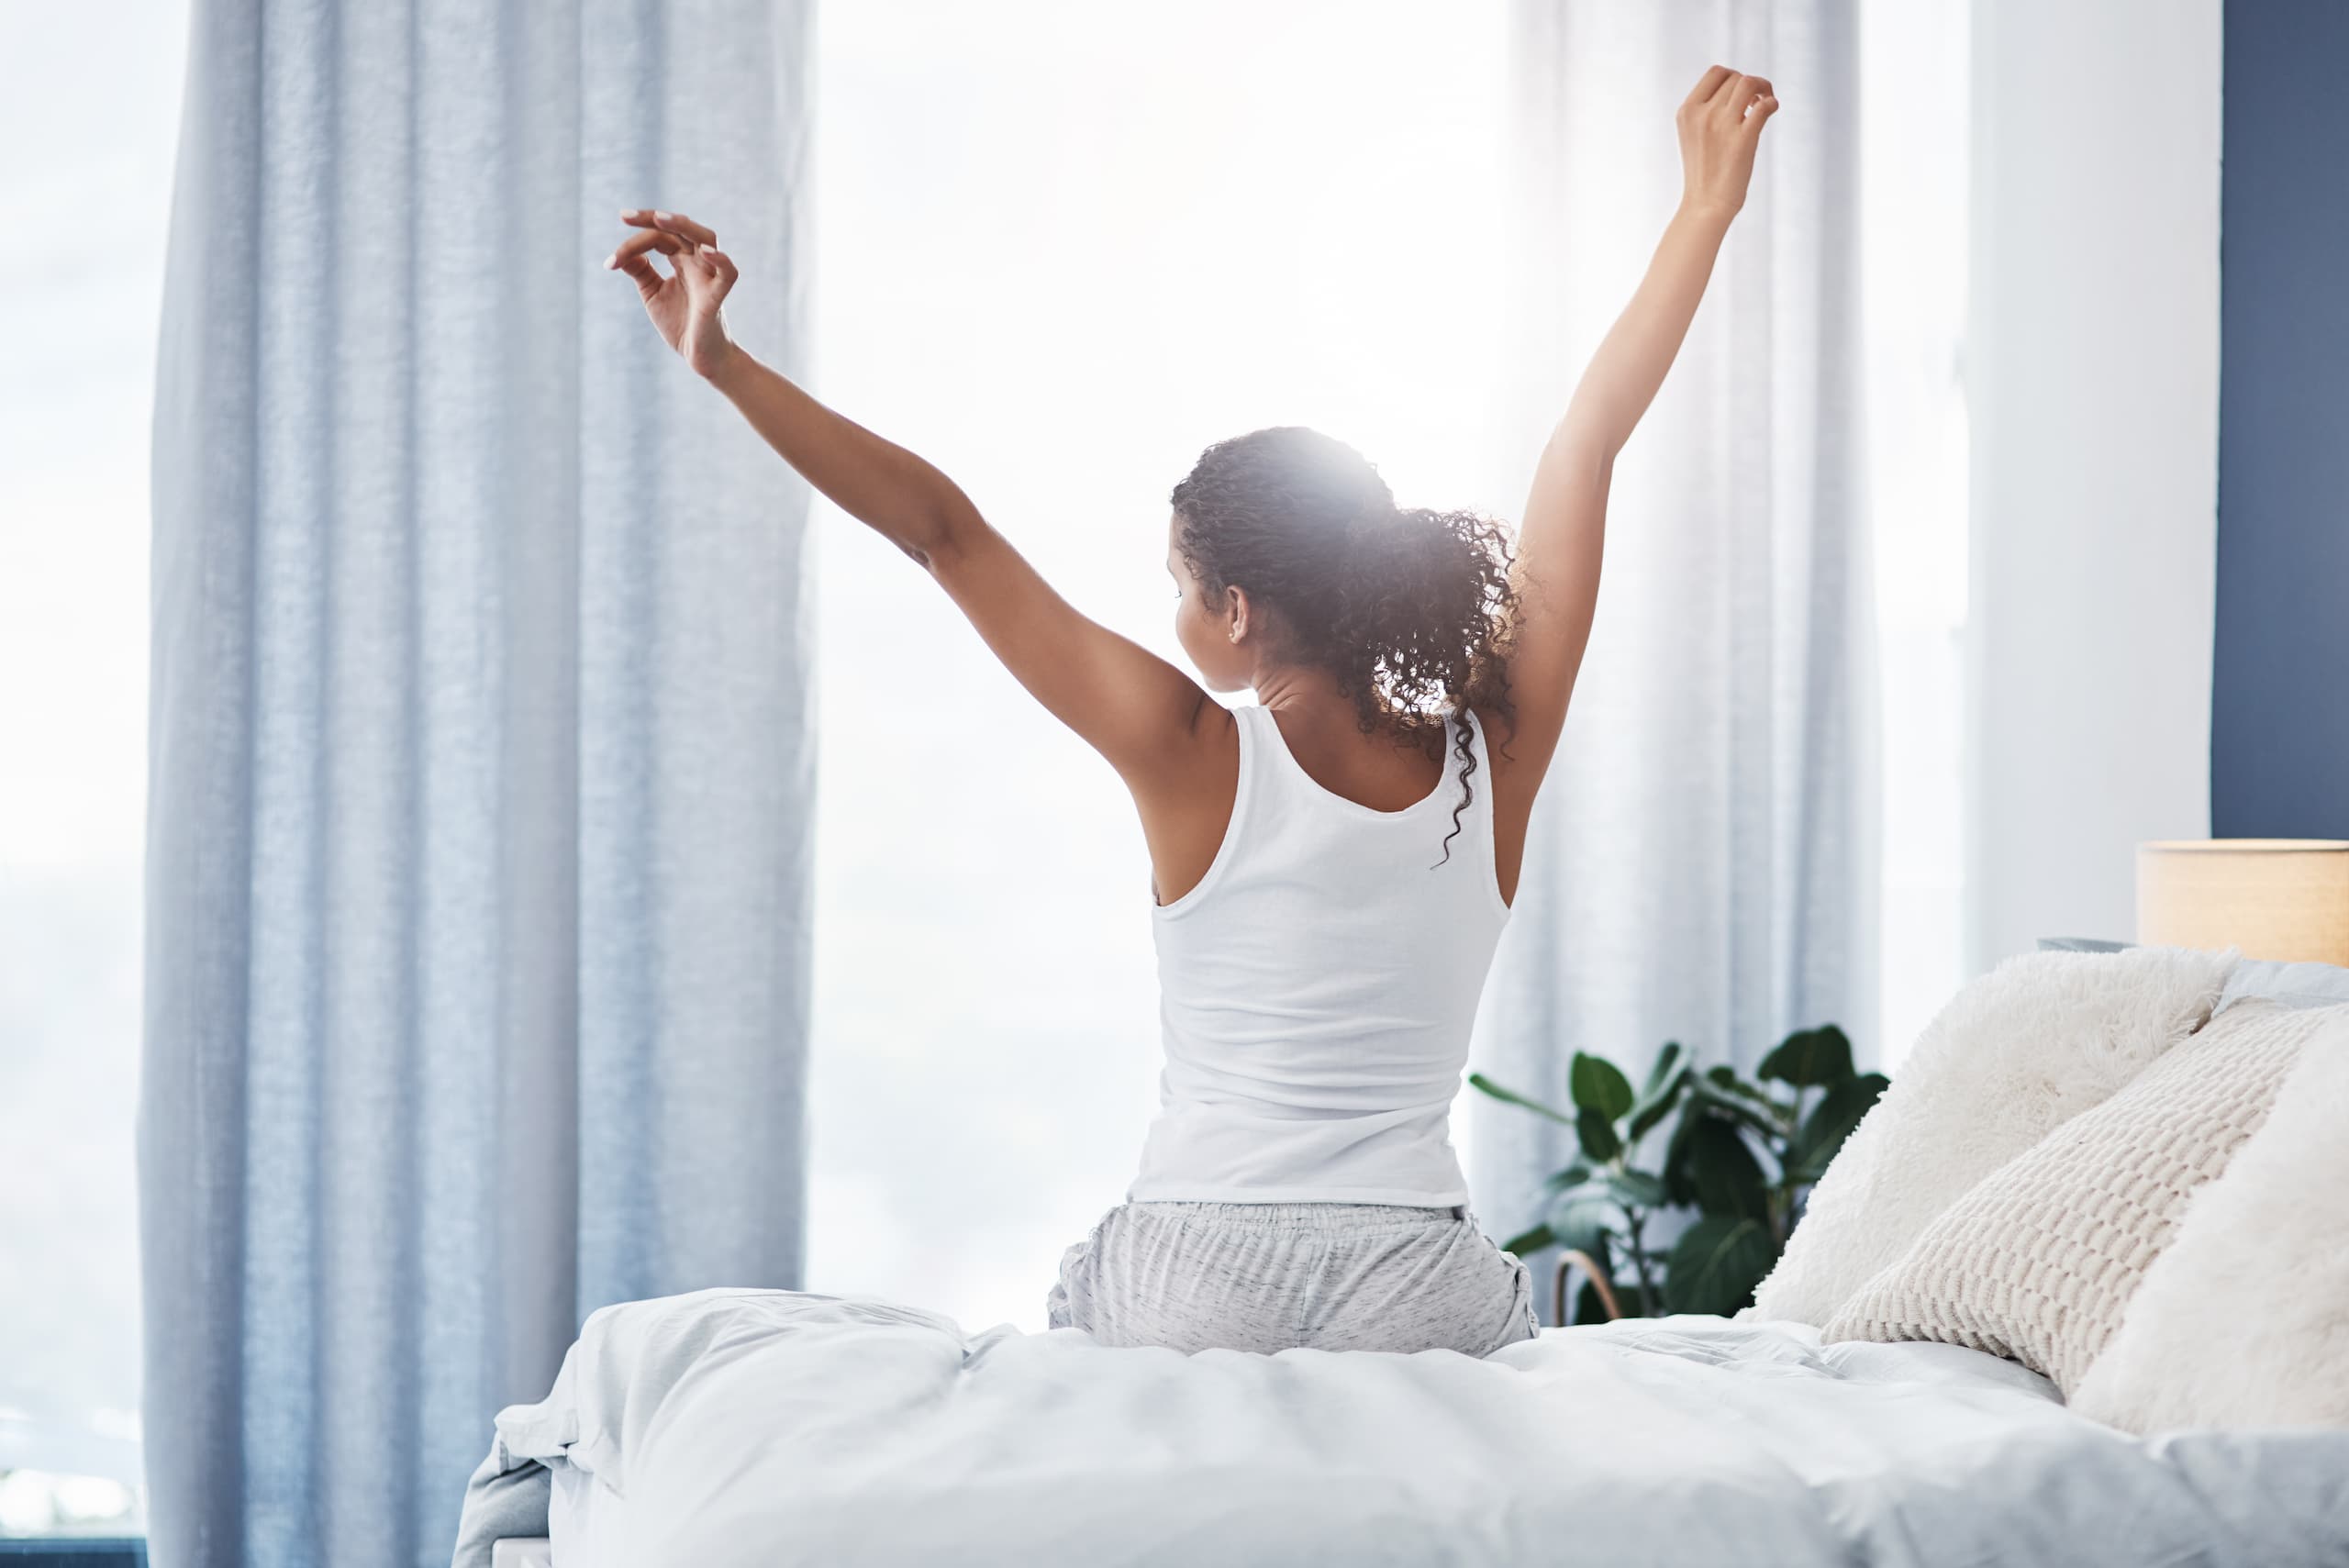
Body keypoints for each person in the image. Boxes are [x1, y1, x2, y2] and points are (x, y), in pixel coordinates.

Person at [607, 65, 1777, 1356]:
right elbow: (1585, 442)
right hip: (1417, 1272)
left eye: (1175, 585)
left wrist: (723, 365)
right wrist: (1704, 211)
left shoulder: (1193, 750)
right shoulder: (1491, 752)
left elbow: (944, 534)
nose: (1167, 611)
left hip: (1196, 1265)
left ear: (1235, 609)